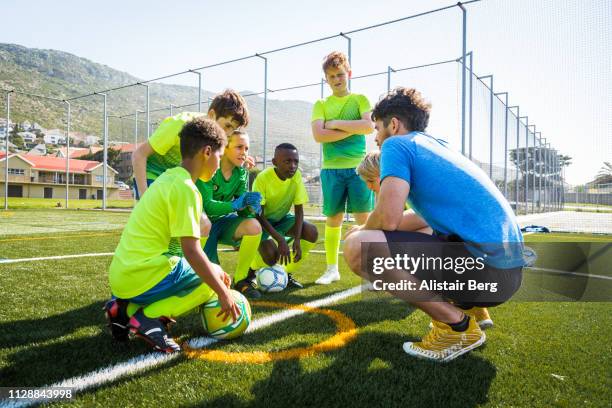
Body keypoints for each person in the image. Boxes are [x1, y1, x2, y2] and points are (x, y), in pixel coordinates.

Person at [343, 87, 524, 362]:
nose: (376, 138)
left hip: (486, 271)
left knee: (359, 247)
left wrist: (361, 231)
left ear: (393, 125)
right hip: (507, 275)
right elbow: (420, 220)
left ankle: (458, 327)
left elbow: (389, 219)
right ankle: (470, 310)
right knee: (416, 234)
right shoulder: (437, 147)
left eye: (377, 129)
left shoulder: (396, 145)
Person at [104, 117, 240, 353]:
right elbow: (191, 251)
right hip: (141, 273)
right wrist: (223, 292)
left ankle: (123, 309)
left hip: (121, 276)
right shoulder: (186, 188)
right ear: (207, 152)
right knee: (214, 280)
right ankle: (149, 319)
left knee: (205, 272)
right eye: (220, 155)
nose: (219, 163)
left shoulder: (167, 177)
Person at [311, 51, 375, 285]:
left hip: (358, 169)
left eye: (340, 74)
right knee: (333, 219)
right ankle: (331, 269)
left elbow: (369, 127)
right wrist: (353, 127)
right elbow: (319, 135)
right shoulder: (320, 104)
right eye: (331, 76)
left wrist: (336, 125)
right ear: (326, 80)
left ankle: (369, 273)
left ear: (349, 73)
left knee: (364, 220)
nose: (336, 80)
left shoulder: (360, 100)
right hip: (331, 170)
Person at [132, 89, 250, 199]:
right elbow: (139, 154)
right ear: (212, 115)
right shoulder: (179, 125)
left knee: (200, 219)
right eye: (227, 126)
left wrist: (239, 159)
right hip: (152, 175)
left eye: (233, 129)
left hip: (177, 179)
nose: (228, 134)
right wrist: (144, 196)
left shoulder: (218, 137)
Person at [200, 129, 263, 299]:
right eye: (239, 147)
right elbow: (209, 207)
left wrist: (251, 207)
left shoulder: (241, 173)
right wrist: (236, 204)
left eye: (247, 149)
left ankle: (242, 280)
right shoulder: (209, 166)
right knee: (211, 282)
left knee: (254, 226)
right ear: (225, 147)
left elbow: (242, 209)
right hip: (201, 226)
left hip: (223, 223)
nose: (244, 153)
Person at [251, 143, 319, 289]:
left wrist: (297, 240)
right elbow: (259, 215)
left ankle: (286, 274)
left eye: (296, 161)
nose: (293, 166)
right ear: (275, 162)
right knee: (271, 257)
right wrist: (280, 239)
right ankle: (252, 269)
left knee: (311, 232)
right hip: (261, 223)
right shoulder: (262, 179)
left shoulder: (296, 176)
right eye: (287, 161)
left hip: (282, 219)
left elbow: (299, 209)